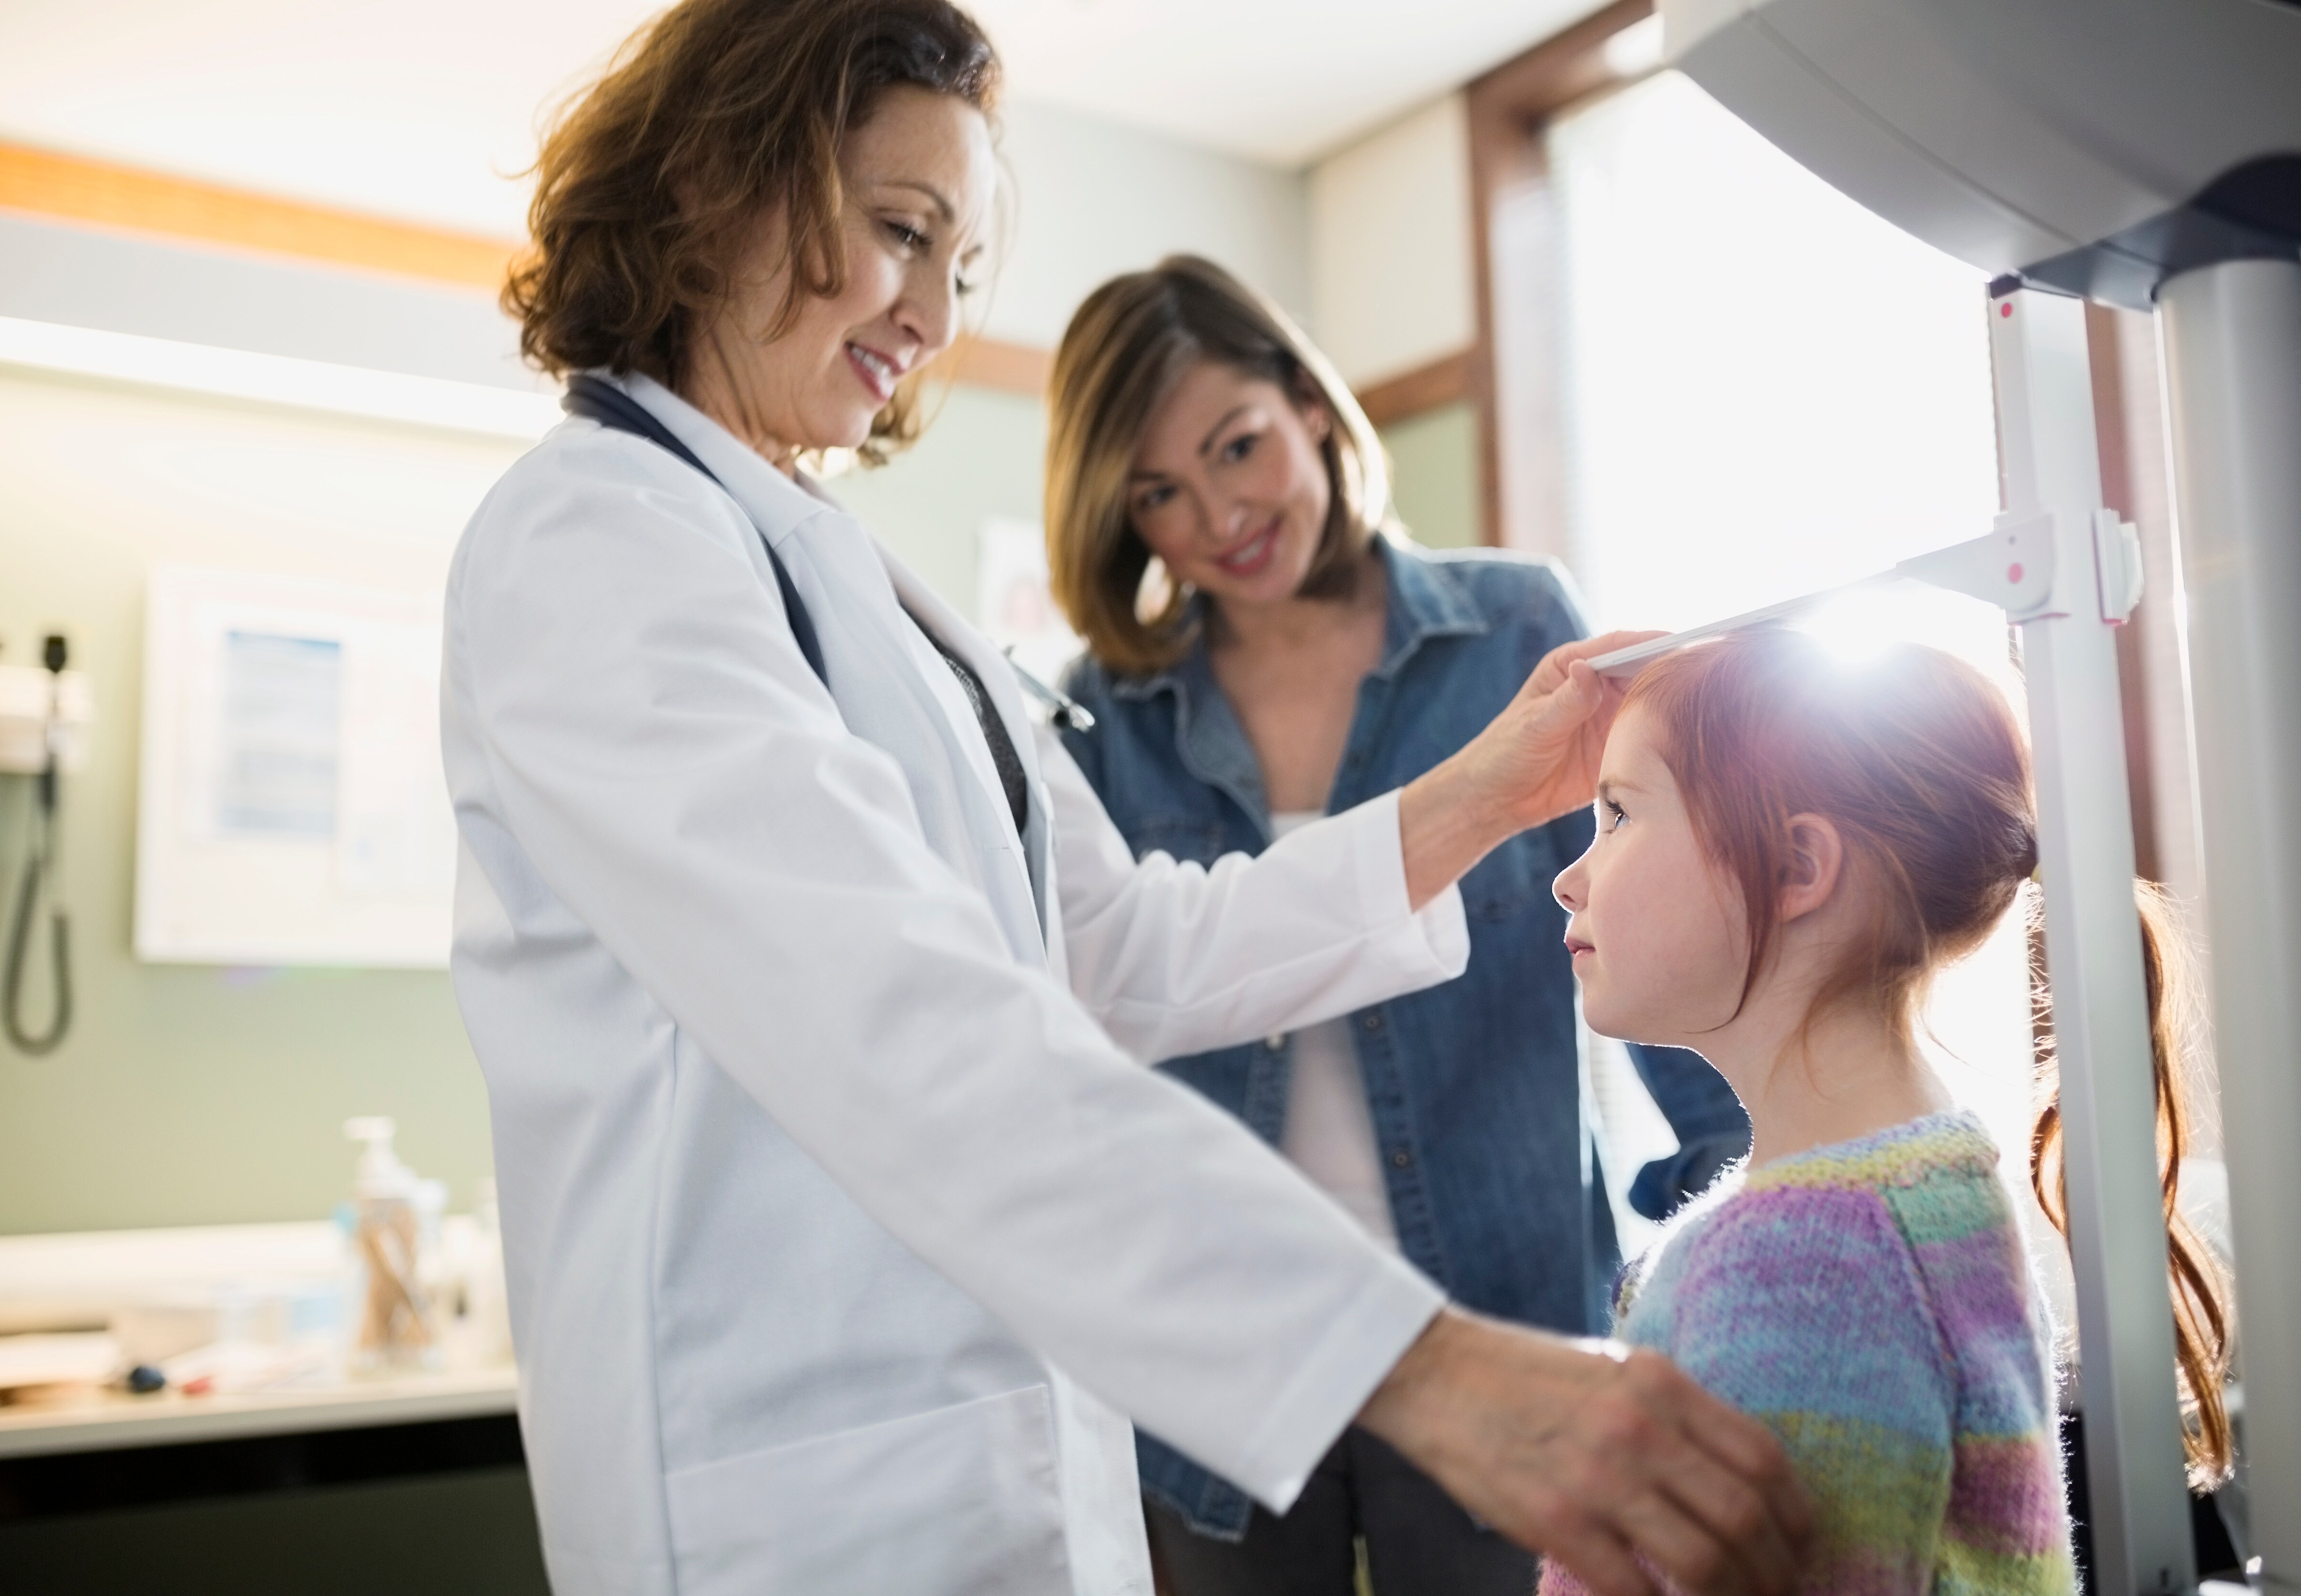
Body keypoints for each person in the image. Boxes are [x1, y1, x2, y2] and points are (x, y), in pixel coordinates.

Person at [447, 0, 1811, 1591]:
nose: (932, 318)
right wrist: (1426, 1366)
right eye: (904, 232)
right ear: (717, 183)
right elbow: (905, 1020)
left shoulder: (847, 583)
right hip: (809, 1500)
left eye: (959, 269)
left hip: (1020, 1470)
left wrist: (1498, 788)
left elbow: (1120, 951)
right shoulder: (598, 543)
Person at [1045, 255, 1755, 1596]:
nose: (1219, 514)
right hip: (1228, 1367)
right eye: (1158, 492)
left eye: (1237, 445)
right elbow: (1095, 1029)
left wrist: (1728, 1228)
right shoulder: (1104, 710)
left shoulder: (1515, 633)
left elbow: (1660, 923)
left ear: (1311, 406)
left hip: (1504, 1315)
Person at [1542, 627, 2235, 1596]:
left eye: (1616, 812)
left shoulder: (1803, 1265)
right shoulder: (1911, 1189)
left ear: (1794, 866)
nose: (1566, 875)